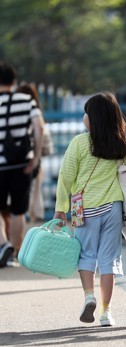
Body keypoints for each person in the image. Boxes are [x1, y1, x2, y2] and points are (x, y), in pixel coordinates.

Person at [54, 92, 126, 326]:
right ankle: (106, 312)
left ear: (92, 118)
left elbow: (66, 177)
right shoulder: (122, 143)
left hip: (83, 209)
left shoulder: (79, 143)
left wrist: (60, 209)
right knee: (109, 259)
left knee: (86, 255)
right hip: (112, 209)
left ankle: (89, 297)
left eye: (87, 112)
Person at [0, 63, 43, 268]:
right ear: (14, 81)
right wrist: (34, 157)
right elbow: (39, 128)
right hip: (21, 165)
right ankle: (15, 252)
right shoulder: (26, 101)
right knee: (18, 210)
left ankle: (2, 244)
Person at [16, 83, 50, 222]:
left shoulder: (16, 110)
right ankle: (33, 224)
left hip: (20, 159)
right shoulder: (35, 111)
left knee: (19, 200)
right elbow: (43, 136)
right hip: (35, 160)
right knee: (35, 195)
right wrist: (36, 158)